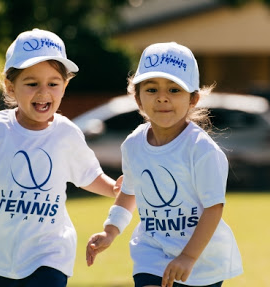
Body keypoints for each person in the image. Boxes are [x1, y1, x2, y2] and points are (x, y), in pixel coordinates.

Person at [0, 28, 122, 287]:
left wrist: (114, 189)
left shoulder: (66, 133)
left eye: (53, 83)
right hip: (0, 255)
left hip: (50, 252)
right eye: (32, 84)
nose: (43, 92)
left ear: (65, 86)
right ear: (10, 86)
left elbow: (88, 175)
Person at [86, 42, 243, 287]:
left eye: (174, 89)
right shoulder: (133, 145)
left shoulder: (201, 150)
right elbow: (129, 191)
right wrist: (111, 230)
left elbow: (214, 208)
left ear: (193, 99)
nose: (162, 97)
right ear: (137, 97)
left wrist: (188, 257)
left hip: (201, 260)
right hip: (152, 252)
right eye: (151, 89)